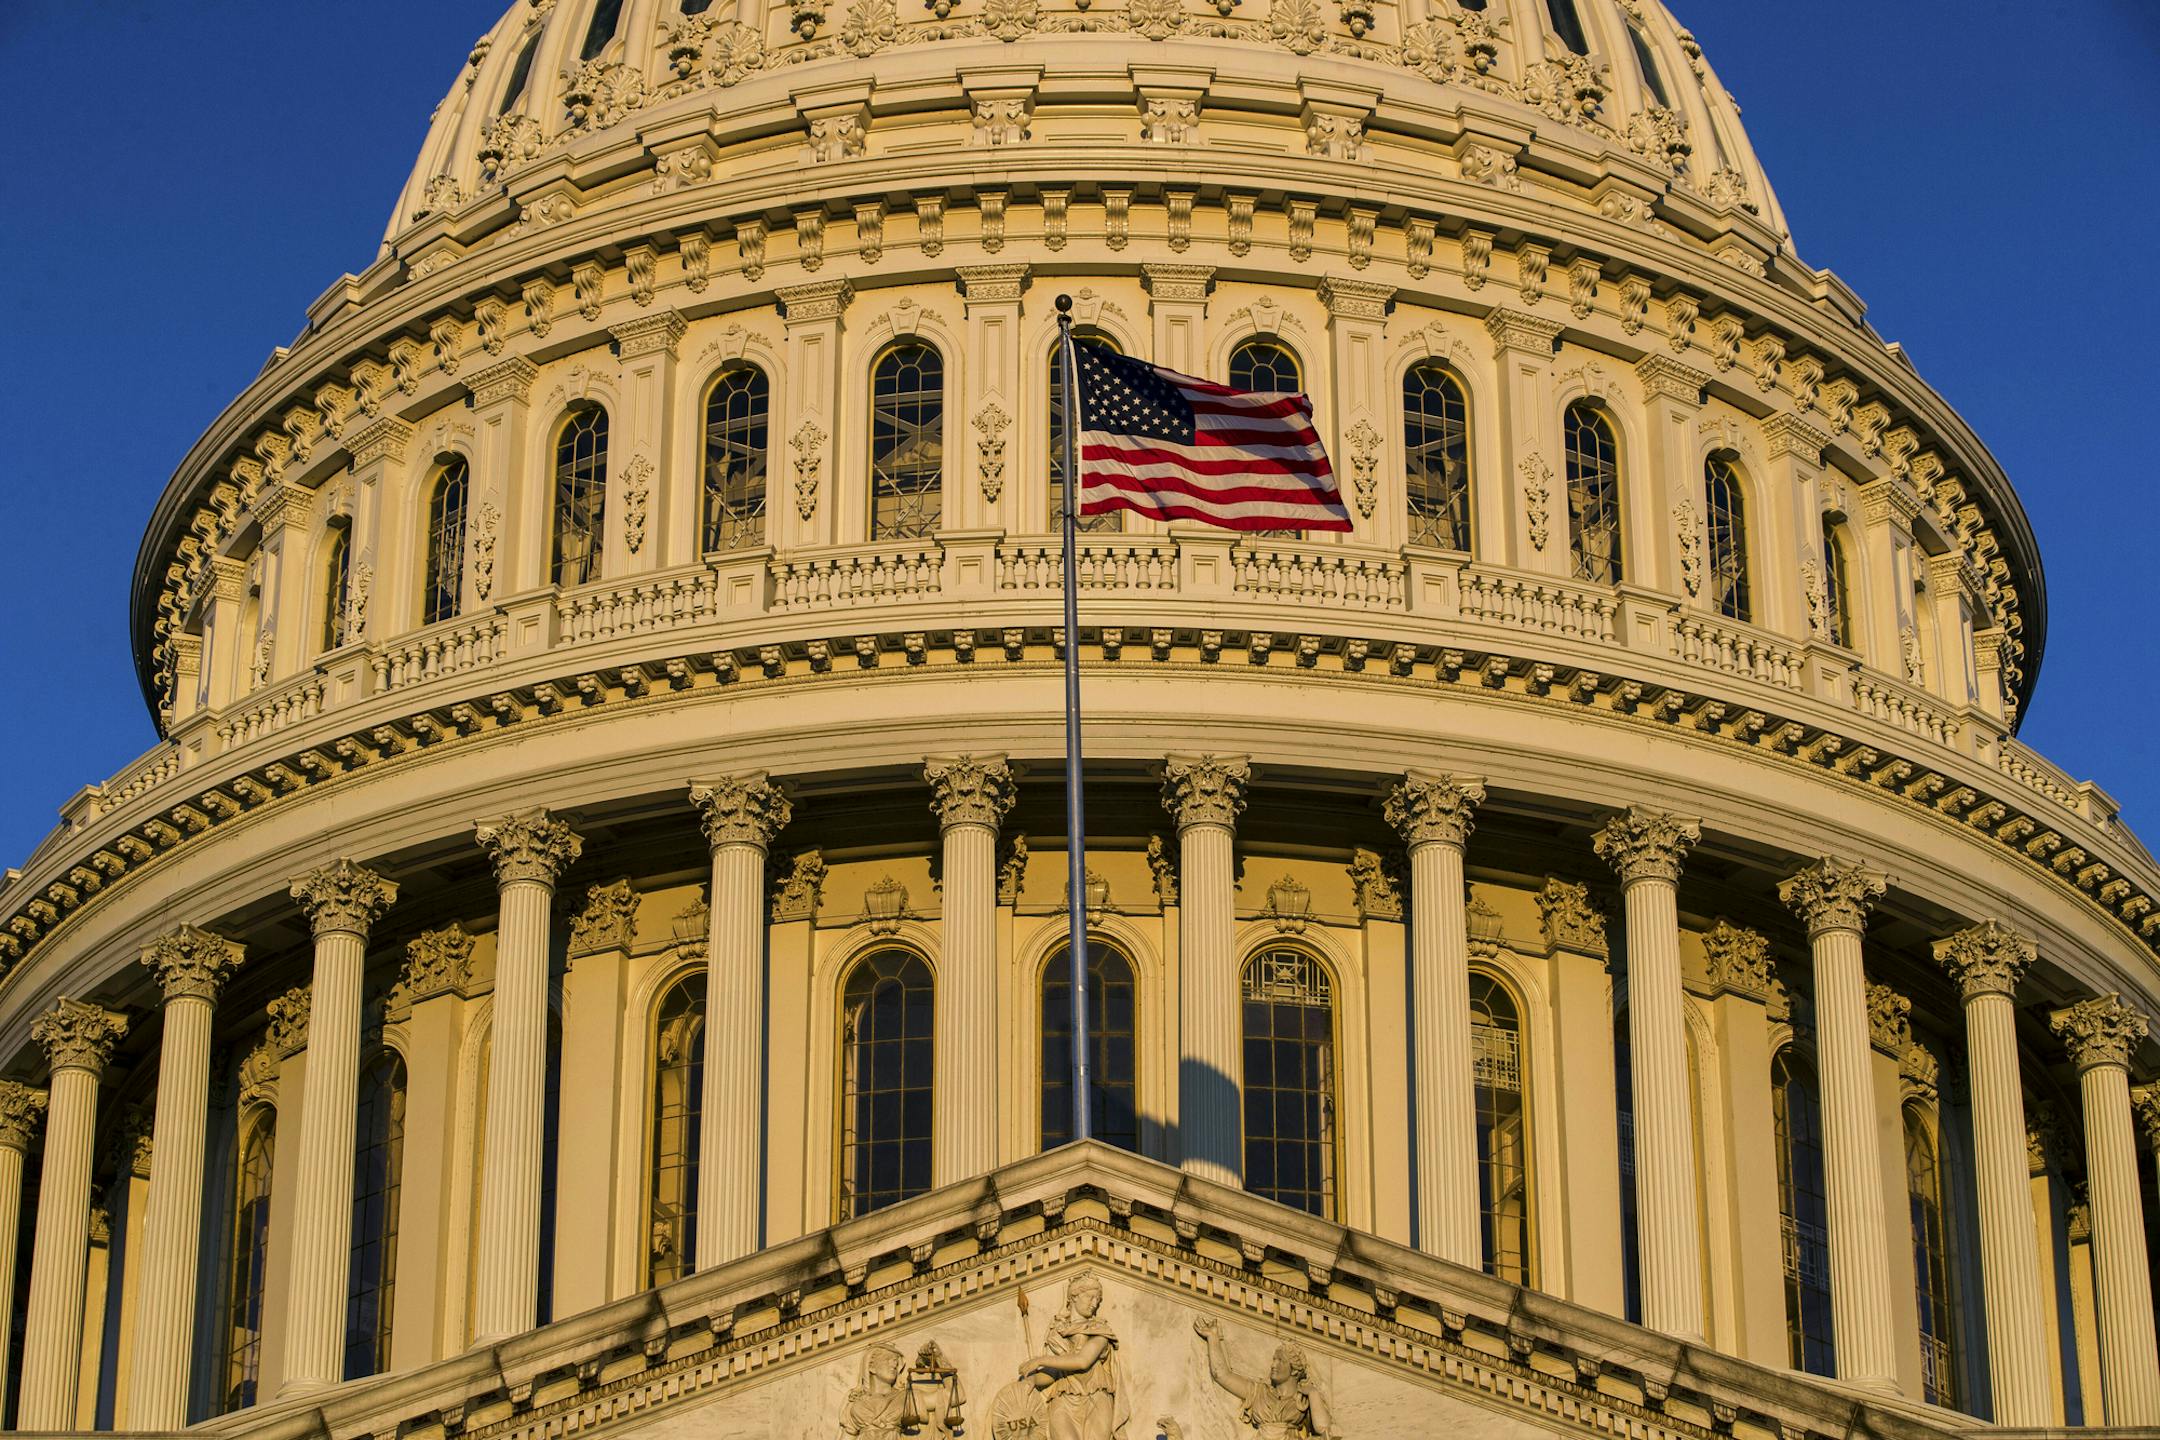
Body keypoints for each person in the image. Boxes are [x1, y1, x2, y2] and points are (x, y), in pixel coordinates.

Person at [1014, 1274, 1129, 1440]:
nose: (1095, 1303)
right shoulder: (1056, 1334)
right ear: (1074, 1296)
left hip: (1095, 1399)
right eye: (1090, 1297)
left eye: (1098, 1299)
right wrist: (1030, 1381)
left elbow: (1082, 1361)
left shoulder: (1100, 1331)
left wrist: (1039, 1360)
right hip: (1063, 1399)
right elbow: (1051, 1375)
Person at [1193, 1318, 1332, 1438]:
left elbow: (1323, 1428)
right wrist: (1213, 1338)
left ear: (1294, 1371)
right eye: (1273, 1360)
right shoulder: (1259, 1392)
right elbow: (1222, 1375)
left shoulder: (1302, 1398)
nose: (1273, 1365)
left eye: (1280, 1361)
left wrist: (1313, 1393)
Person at [840, 1342, 913, 1439]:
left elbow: (934, 1400)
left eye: (896, 1361)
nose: (894, 1364)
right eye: (887, 1359)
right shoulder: (857, 1401)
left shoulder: (905, 1397)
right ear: (871, 1367)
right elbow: (848, 1435)